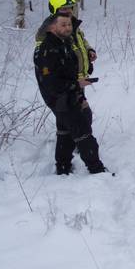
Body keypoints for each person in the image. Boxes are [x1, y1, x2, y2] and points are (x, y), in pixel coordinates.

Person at [34, 12, 108, 175]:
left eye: (69, 24)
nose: (68, 28)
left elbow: (70, 71)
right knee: (83, 132)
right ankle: (97, 170)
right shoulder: (47, 50)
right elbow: (51, 83)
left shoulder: (65, 43)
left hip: (71, 93)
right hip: (59, 98)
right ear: (52, 27)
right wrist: (76, 85)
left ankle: (63, 167)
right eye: (63, 25)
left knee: (65, 131)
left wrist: (78, 88)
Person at [36, 0, 96, 80]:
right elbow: (44, 61)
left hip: (79, 79)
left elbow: (81, 41)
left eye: (70, 8)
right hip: (65, 82)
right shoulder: (49, 31)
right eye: (64, 9)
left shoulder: (72, 24)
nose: (69, 11)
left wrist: (89, 50)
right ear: (55, 11)